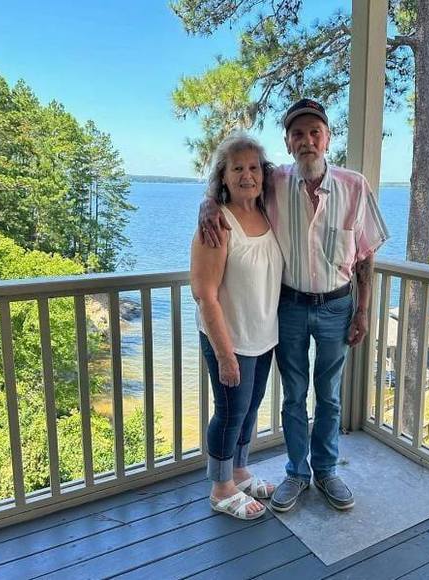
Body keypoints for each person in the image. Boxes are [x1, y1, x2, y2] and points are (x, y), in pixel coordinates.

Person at [199, 98, 388, 513]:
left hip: (338, 306)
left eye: (314, 132)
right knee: (294, 396)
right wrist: (208, 202)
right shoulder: (275, 182)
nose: (307, 141)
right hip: (290, 308)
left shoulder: (355, 186)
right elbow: (234, 179)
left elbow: (366, 255)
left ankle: (327, 471)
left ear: (328, 138)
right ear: (287, 143)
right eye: (297, 134)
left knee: (330, 395)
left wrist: (363, 310)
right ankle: (297, 474)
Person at [191, 132, 283, 520]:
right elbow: (205, 294)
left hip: (263, 335)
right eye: (237, 168)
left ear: (264, 173)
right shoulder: (217, 223)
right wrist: (225, 355)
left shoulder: (268, 212)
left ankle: (240, 471)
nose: (247, 175)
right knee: (229, 413)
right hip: (230, 338)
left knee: (249, 408)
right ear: (223, 177)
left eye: (254, 168)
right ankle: (220, 487)